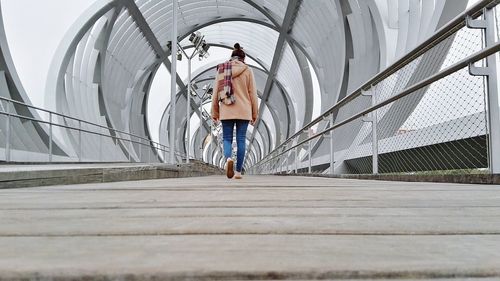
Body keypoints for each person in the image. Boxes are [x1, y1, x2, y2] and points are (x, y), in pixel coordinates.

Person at [211, 43, 258, 179]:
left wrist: (215, 113)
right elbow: (253, 94)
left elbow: (215, 93)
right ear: (243, 59)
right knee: (241, 139)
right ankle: (238, 172)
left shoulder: (222, 70)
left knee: (227, 138)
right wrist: (254, 114)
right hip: (244, 110)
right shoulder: (248, 70)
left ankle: (228, 159)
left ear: (232, 57)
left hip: (226, 109)